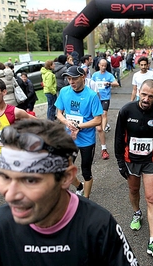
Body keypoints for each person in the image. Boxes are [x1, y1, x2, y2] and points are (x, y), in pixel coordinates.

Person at [0, 119, 139, 265]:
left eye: (30, 180)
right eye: (6, 177)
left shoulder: (98, 226)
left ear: (66, 177)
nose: (10, 195)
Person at [114, 79, 153, 257]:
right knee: (134, 190)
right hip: (131, 160)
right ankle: (137, 213)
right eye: (143, 94)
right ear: (139, 92)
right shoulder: (126, 110)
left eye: (151, 96)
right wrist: (120, 161)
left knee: (151, 198)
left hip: (151, 161)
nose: (146, 99)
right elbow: (119, 138)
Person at [55, 66, 103, 199]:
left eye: (74, 78)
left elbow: (98, 120)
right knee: (65, 168)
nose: (71, 81)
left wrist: (79, 126)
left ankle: (86, 200)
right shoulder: (64, 91)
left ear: (83, 77)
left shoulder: (92, 95)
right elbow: (59, 113)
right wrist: (67, 123)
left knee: (86, 170)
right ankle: (79, 187)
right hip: (70, 138)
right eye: (69, 78)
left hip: (87, 140)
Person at [91, 59, 119, 160]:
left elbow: (116, 83)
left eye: (105, 65)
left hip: (105, 98)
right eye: (102, 65)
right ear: (98, 65)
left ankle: (102, 129)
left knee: (104, 114)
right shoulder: (95, 75)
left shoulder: (109, 75)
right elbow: (91, 85)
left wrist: (109, 83)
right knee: (97, 115)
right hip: (96, 98)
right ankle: (101, 129)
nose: (103, 67)